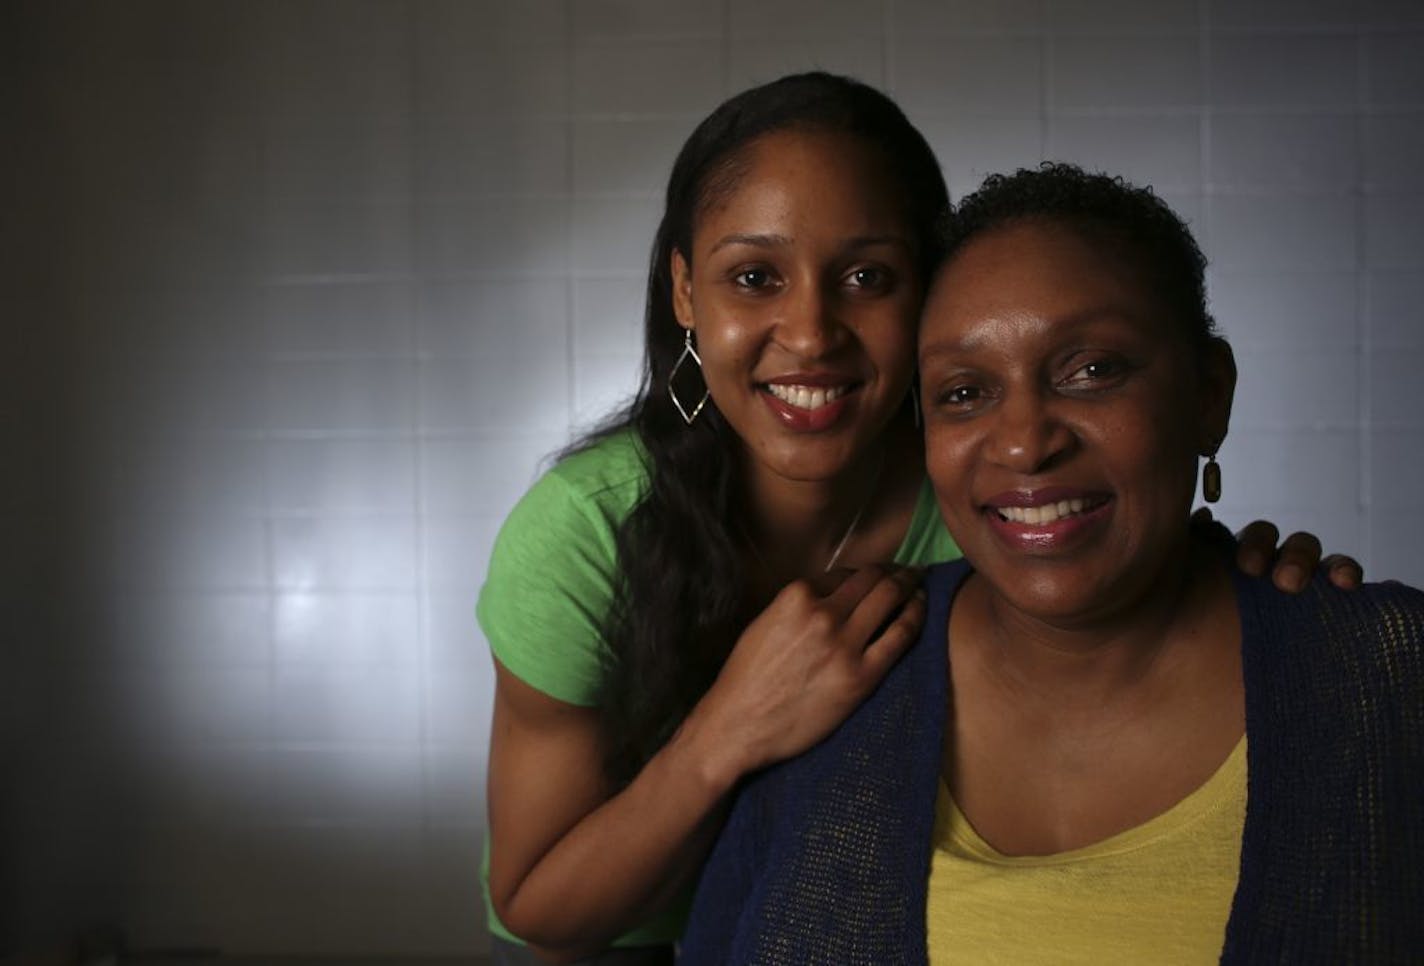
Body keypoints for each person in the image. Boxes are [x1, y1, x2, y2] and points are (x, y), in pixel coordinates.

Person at [479, 76, 1361, 965]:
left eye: (868, 276)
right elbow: (539, 912)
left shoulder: (993, 492)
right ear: (684, 292)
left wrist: (1241, 588)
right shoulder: (585, 533)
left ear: (930, 296)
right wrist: (730, 729)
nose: (812, 331)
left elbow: (1130, 581)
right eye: (754, 277)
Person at [679, 164, 1424, 964]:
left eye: (1092, 371)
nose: (1026, 441)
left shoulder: (1385, 679)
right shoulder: (836, 682)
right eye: (965, 393)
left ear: (1209, 394)